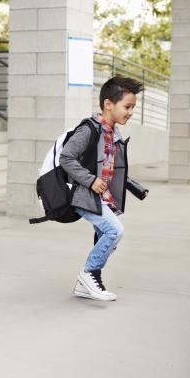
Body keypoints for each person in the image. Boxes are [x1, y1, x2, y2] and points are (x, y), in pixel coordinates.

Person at [60, 77, 149, 301]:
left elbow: (112, 169)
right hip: (84, 194)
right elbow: (66, 158)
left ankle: (87, 285)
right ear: (108, 104)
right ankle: (88, 274)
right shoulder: (89, 130)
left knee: (105, 236)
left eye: (133, 108)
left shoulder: (113, 134)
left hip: (102, 196)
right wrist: (90, 180)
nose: (130, 112)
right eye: (127, 106)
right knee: (114, 231)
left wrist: (135, 187)